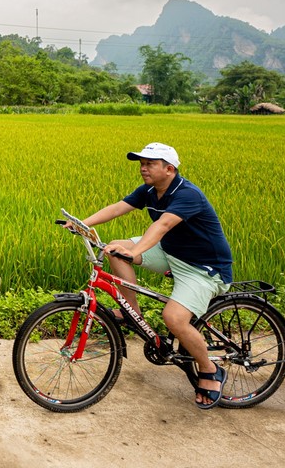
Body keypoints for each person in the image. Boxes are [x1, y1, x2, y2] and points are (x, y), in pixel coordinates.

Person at [78, 142, 233, 409]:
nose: (143, 168)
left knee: (173, 317)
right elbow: (119, 207)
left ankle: (209, 370)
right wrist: (82, 223)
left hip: (204, 267)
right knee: (116, 248)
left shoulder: (187, 194)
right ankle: (132, 312)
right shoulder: (150, 190)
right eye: (141, 163)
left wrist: (136, 251)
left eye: (149, 164)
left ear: (169, 169)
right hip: (172, 252)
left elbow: (162, 225)